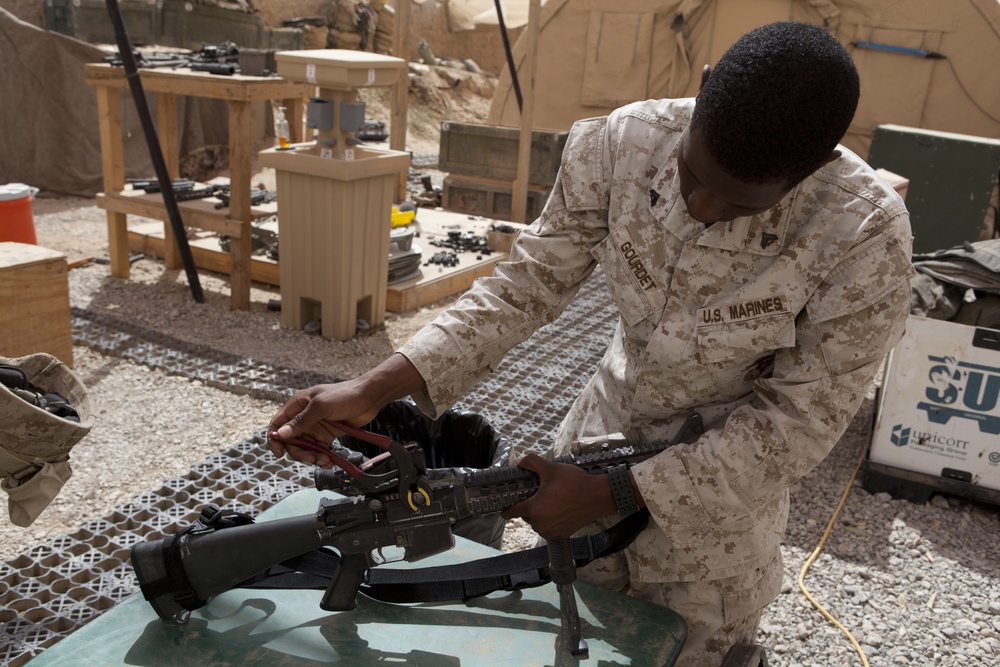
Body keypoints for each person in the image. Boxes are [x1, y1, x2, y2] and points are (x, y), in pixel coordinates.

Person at [268, 21, 914, 666]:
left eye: (739, 204)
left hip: (711, 534)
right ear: (704, 86)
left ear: (818, 167)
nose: (701, 205)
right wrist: (374, 386)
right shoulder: (622, 144)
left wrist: (616, 492)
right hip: (586, 466)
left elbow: (794, 428)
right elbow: (526, 286)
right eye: (693, 172)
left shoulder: (863, 236)